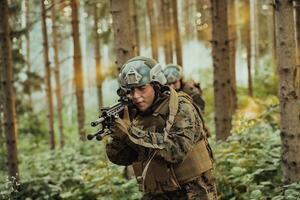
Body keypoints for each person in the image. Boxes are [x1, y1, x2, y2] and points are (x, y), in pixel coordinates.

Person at [105, 56, 217, 200]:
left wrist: (130, 133)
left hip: (192, 192)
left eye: (142, 88)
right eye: (131, 90)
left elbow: (176, 150)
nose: (136, 96)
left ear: (156, 85)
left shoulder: (180, 107)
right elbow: (121, 158)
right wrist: (118, 136)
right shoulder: (135, 114)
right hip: (157, 193)